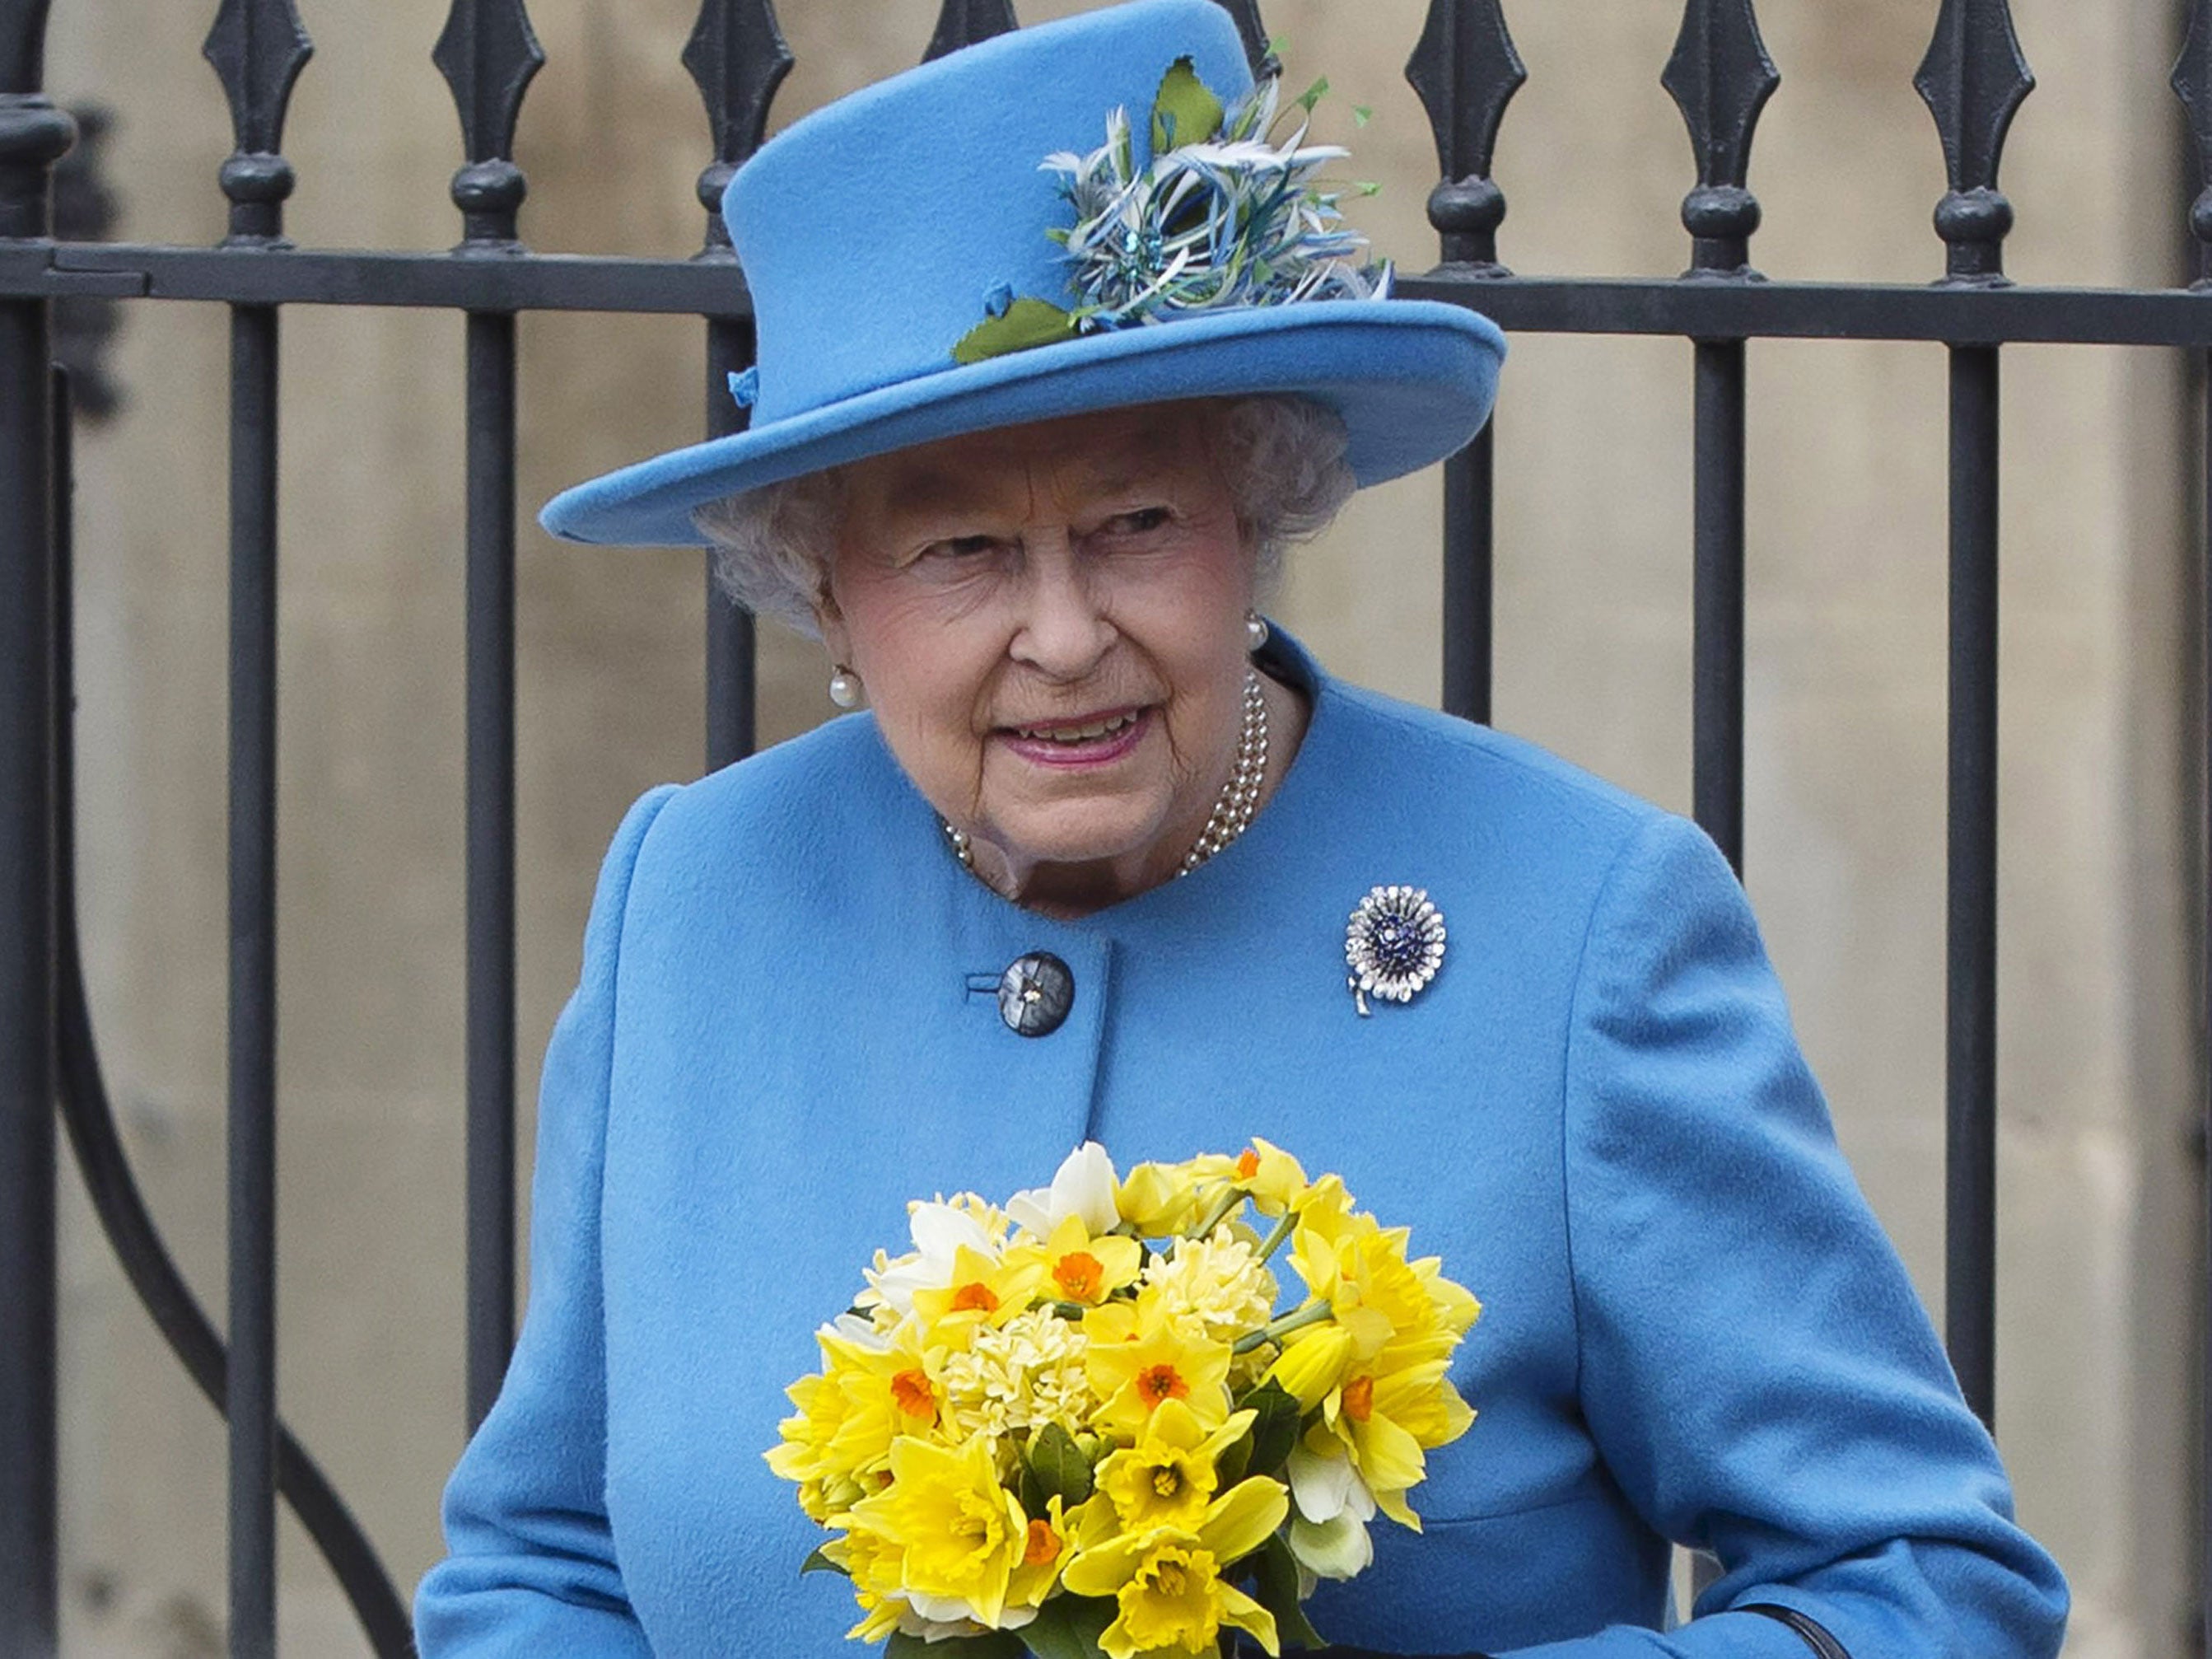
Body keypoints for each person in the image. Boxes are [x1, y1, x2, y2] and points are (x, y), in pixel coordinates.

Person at [413, 2, 2069, 1655]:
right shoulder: (694, 900)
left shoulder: (1576, 923)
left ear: (1251, 513)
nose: (1062, 635)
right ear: (826, 587)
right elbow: (540, 1568)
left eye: (1134, 522)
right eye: (961, 551)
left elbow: (1920, 1579)